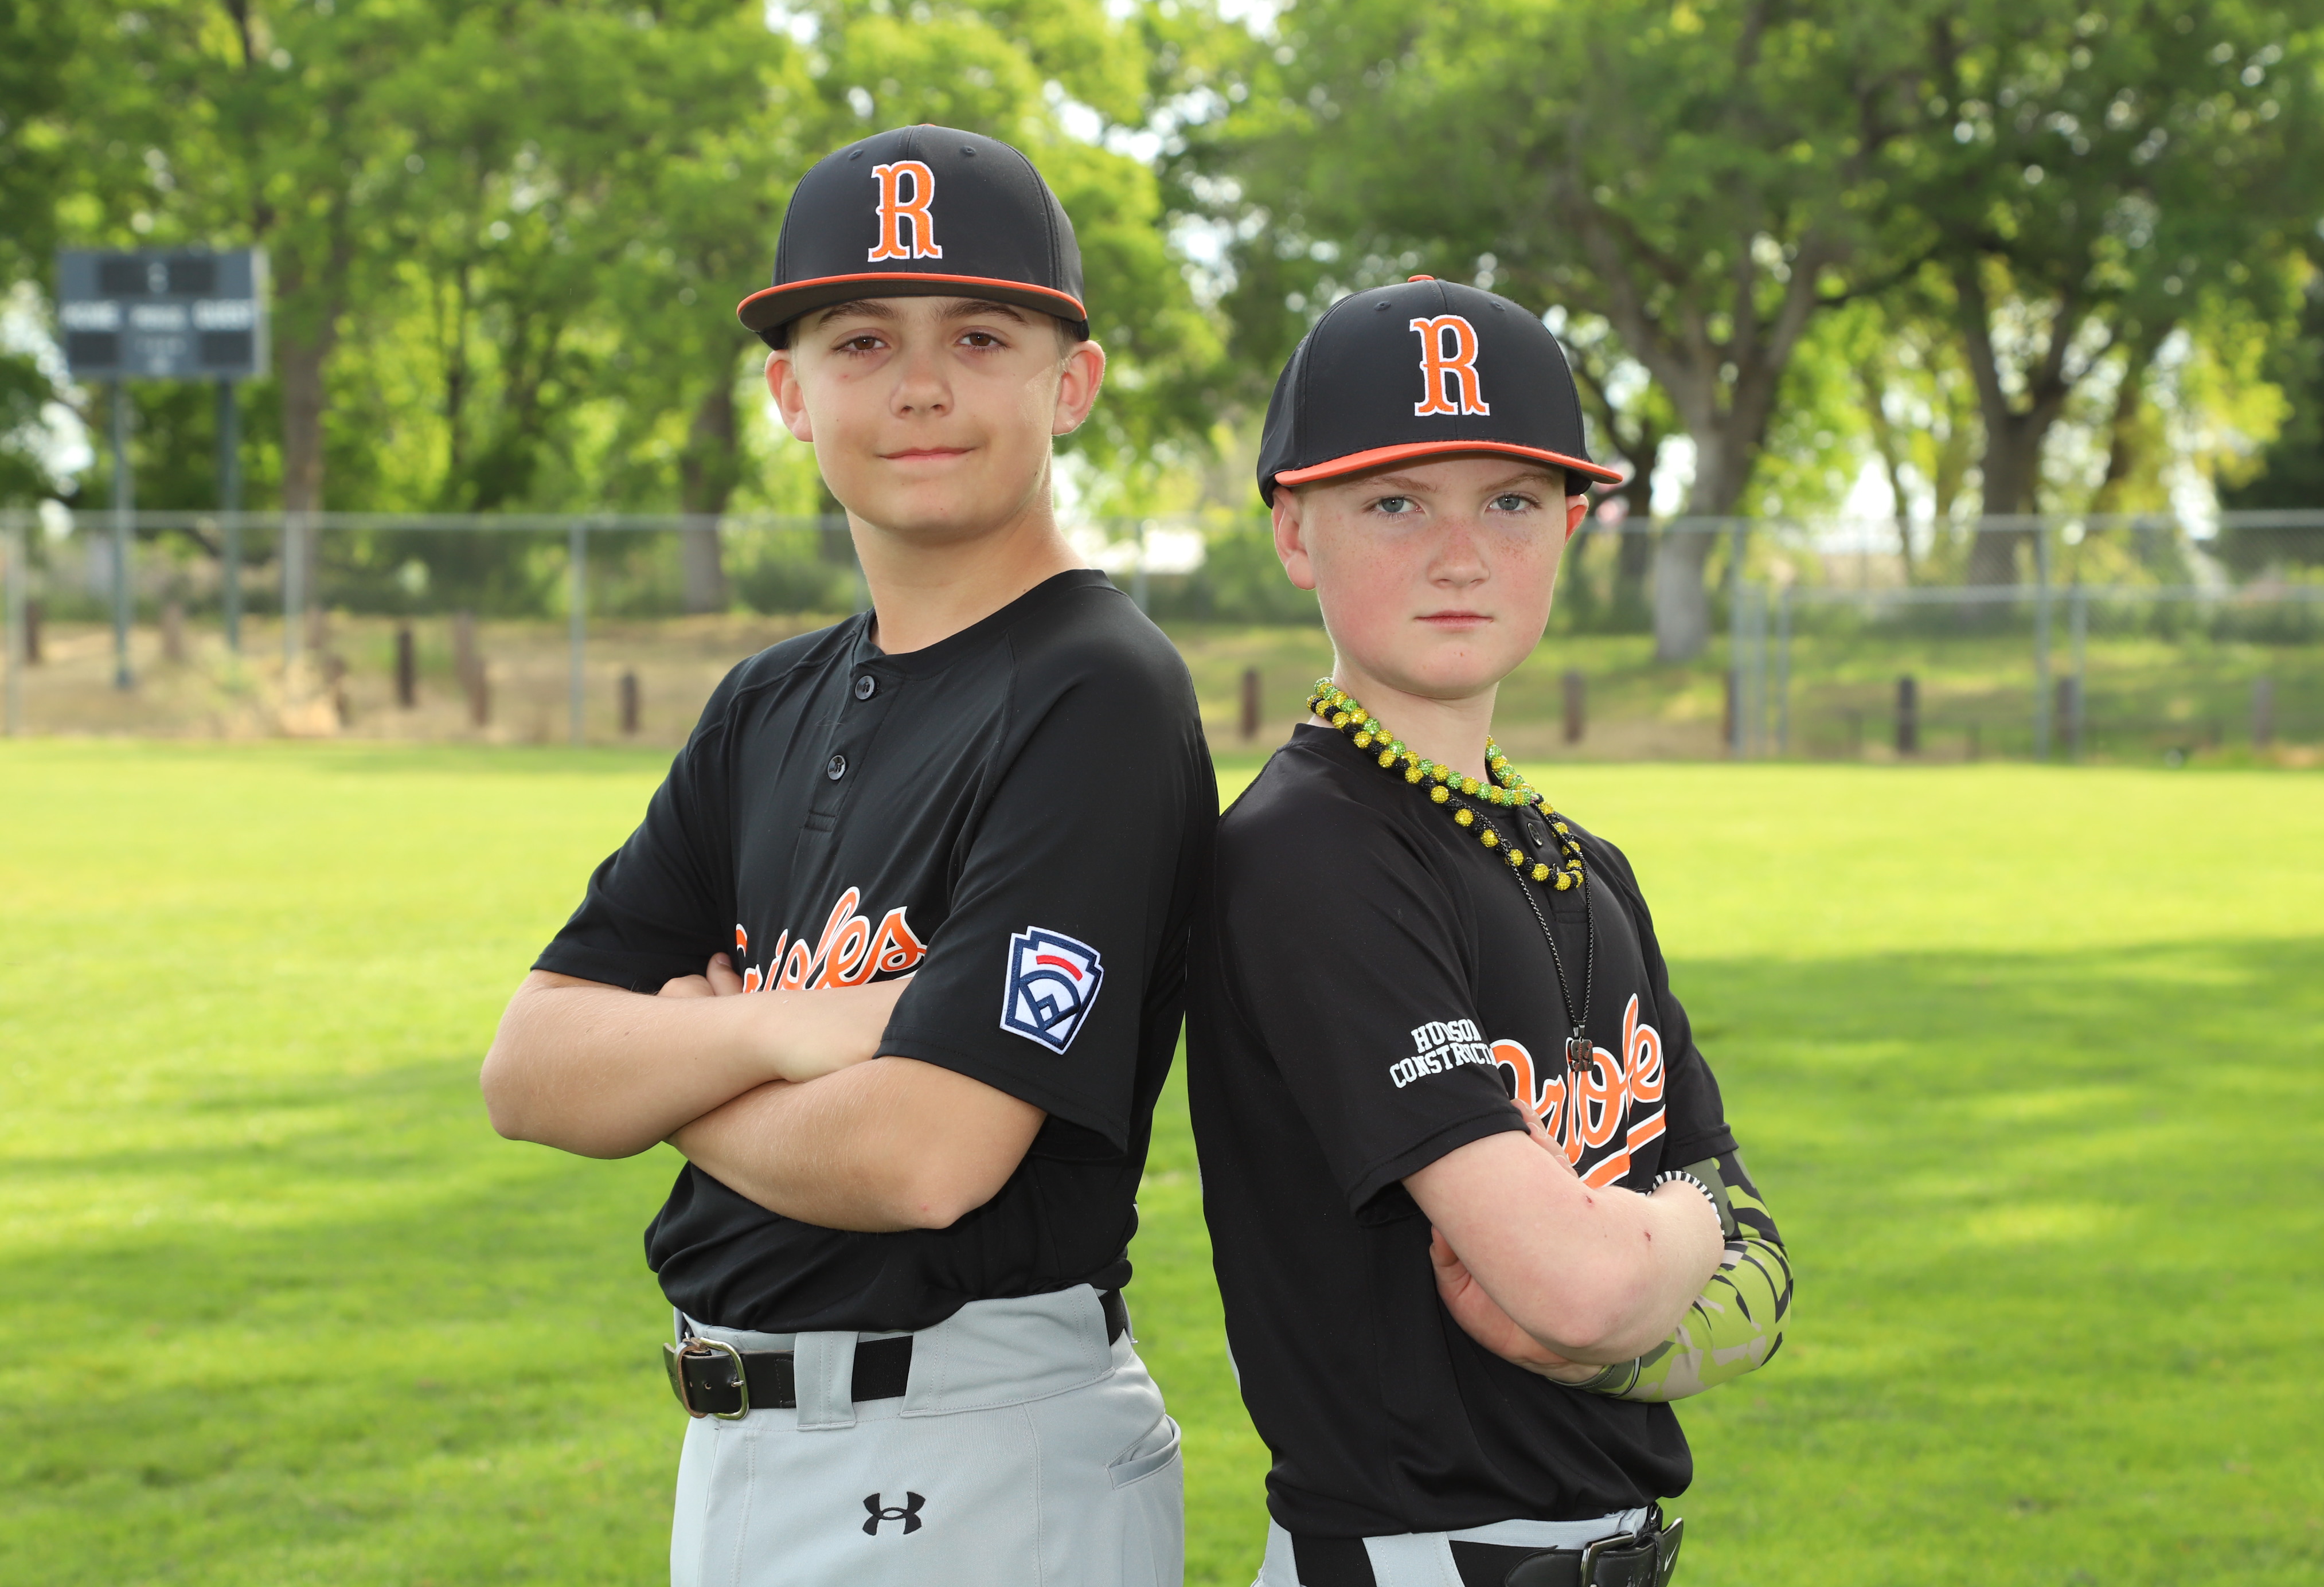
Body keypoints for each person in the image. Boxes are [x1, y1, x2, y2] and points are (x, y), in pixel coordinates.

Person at [480, 124, 1209, 1587]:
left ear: (1070, 383)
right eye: (861, 340)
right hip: (747, 1446)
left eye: (979, 336)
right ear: (790, 395)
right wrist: (777, 1030)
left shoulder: (1097, 689)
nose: (920, 385)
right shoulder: (768, 700)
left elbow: (922, 1156)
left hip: (974, 1451)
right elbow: (529, 1070)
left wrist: (676, 1078)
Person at [1188, 276, 1794, 1587]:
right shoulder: (1307, 851)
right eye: (1395, 503)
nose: (1459, 555)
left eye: (1509, 502)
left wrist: (1624, 1288)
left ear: (1570, 527)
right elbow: (1586, 1283)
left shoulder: (1585, 867)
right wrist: (1667, 1239)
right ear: (1294, 532)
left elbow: (1765, 1279)